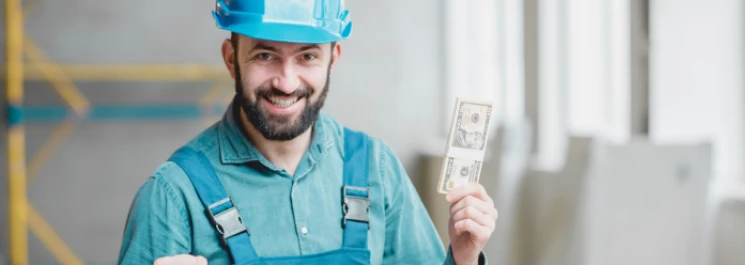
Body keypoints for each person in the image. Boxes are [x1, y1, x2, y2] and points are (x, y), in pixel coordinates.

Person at [117, 1, 498, 264]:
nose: (286, 82)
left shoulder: (375, 168)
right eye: (265, 55)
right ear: (232, 59)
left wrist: (463, 259)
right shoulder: (173, 194)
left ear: (334, 58)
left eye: (307, 56)